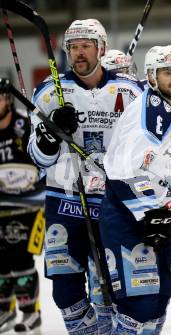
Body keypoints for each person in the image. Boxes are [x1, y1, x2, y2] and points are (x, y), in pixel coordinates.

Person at [27, 19, 143, 334]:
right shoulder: (51, 92)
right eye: (73, 47)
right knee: (66, 293)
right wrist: (49, 137)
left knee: (112, 290)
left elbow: (147, 149)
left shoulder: (130, 91)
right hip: (64, 204)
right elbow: (36, 159)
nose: (79, 53)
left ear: (101, 49)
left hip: (112, 206)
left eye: (86, 46)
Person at [100, 45, 171, 334]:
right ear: (152, 77)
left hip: (158, 215)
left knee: (159, 299)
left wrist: (165, 208)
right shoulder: (151, 111)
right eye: (168, 73)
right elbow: (123, 171)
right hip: (129, 214)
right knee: (139, 304)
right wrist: (150, 212)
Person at [0, 81, 45, 333]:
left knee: (19, 257)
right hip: (1, 206)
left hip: (29, 206)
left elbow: (44, 159)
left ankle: (31, 313)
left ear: (8, 99)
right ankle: (4, 310)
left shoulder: (23, 125)